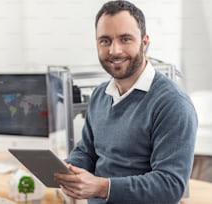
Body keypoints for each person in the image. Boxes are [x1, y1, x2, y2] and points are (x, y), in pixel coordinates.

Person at [54, 1, 197, 203]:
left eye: (125, 39)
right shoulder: (100, 94)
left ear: (144, 42)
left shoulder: (172, 103)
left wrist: (102, 187)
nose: (115, 50)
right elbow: (86, 151)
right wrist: (69, 169)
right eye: (105, 41)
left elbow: (170, 184)